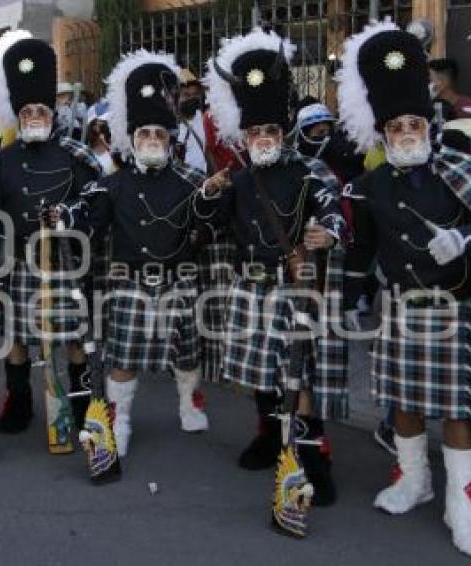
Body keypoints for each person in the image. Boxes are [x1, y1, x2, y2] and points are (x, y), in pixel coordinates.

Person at [338, 21, 471, 557]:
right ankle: (415, 480)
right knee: (402, 402)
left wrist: (464, 238)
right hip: (400, 307)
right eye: (396, 126)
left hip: (454, 308)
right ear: (383, 132)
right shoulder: (367, 187)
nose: (407, 132)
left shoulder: (461, 171)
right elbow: (361, 251)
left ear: (429, 123)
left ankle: (464, 504)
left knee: (458, 410)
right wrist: (344, 302)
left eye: (415, 122)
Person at [200, 27, 347, 508]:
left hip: (296, 286)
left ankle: (313, 459)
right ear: (245, 134)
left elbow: (335, 212)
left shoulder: (310, 172)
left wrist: (329, 234)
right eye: (255, 132)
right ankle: (268, 438)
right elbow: (209, 227)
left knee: (297, 378)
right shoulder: (239, 179)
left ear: (283, 132)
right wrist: (209, 193)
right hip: (251, 284)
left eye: (270, 131)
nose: (262, 138)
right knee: (263, 374)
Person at [72, 51, 210, 458]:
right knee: (124, 351)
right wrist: (66, 217)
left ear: (170, 139)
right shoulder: (111, 184)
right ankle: (121, 417)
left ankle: (189, 404)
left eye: (159, 135)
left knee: (186, 349)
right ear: (131, 138)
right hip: (129, 280)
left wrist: (215, 199)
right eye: (144, 134)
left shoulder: (192, 180)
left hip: (179, 277)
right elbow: (88, 217)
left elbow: (213, 218)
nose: (151, 141)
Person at [0, 30, 101, 434]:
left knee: (72, 338)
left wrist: (68, 213)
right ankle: (19, 403)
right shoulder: (0, 161)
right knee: (17, 336)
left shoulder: (76, 154)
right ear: (18, 115)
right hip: (18, 262)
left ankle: (83, 406)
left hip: (66, 263)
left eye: (41, 110)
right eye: (27, 110)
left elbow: (97, 202)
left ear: (52, 113)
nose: (34, 116)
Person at [177, 69, 208, 174]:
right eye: (186, 95)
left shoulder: (207, 122)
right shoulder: (170, 126)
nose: (192, 98)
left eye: (195, 94)